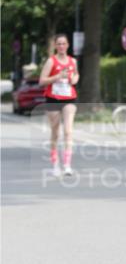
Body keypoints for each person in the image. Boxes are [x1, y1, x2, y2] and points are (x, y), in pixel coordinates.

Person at [38, 34, 79, 177]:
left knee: (68, 131)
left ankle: (67, 165)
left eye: (64, 43)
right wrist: (57, 76)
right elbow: (41, 81)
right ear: (55, 46)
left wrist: (74, 79)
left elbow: (76, 75)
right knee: (55, 133)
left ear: (68, 45)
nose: (61, 46)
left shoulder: (73, 61)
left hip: (69, 98)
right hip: (53, 99)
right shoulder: (51, 61)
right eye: (59, 44)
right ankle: (55, 164)